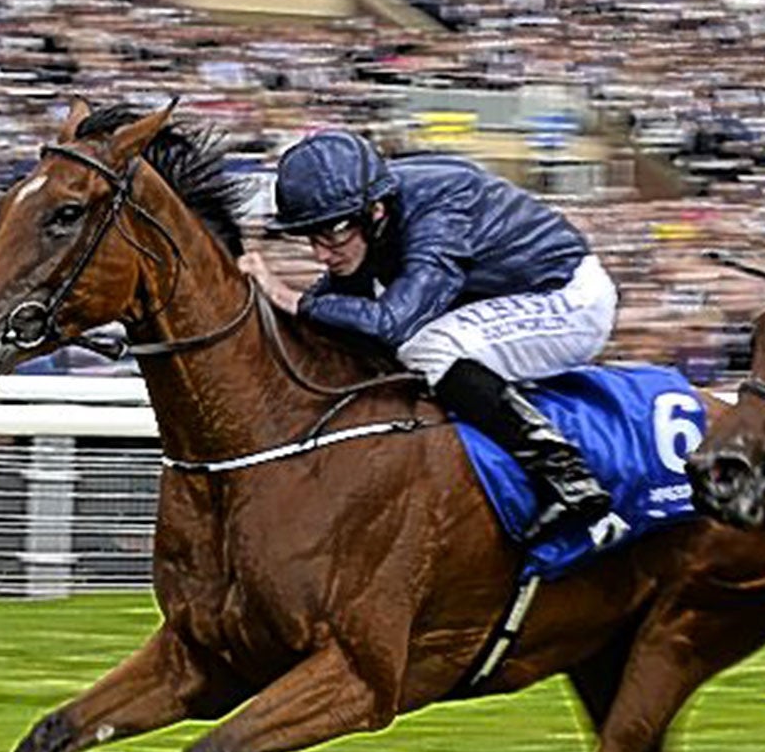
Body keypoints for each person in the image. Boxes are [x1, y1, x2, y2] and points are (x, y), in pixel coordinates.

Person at [239, 129, 616, 540]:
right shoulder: (374, 213)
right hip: (514, 294)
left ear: (375, 212)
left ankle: (570, 480)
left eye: (333, 234)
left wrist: (291, 297)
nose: (322, 254)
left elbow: (395, 323)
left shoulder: (438, 215)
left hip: (569, 299)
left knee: (428, 346)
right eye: (311, 237)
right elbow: (335, 307)